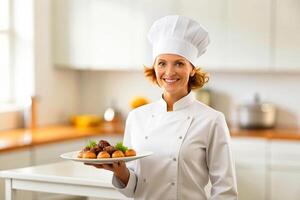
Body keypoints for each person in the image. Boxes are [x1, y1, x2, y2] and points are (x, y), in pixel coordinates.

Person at [86, 15, 238, 200]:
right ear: (155, 68)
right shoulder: (137, 117)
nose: (169, 72)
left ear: (192, 69)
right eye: (162, 63)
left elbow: (225, 190)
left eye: (179, 63)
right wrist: (120, 172)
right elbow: (133, 187)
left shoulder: (212, 120)